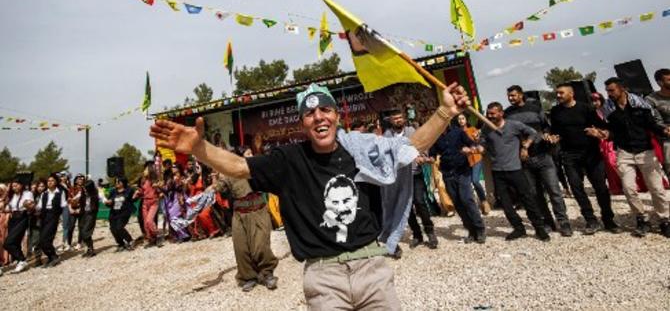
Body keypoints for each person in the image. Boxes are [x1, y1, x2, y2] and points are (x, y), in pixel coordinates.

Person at [150, 82, 469, 309]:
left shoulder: (359, 148)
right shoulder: (288, 160)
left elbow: (410, 148)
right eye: (310, 113)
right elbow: (237, 166)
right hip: (323, 278)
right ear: (302, 122)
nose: (319, 117)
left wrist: (444, 112)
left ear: (336, 116)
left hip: (372, 268)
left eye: (326, 109)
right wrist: (199, 149)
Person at [601, 77, 670, 237]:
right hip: (624, 152)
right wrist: (604, 134)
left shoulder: (641, 105)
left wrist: (664, 131)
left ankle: (665, 220)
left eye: (611, 90)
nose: (609, 94)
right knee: (629, 188)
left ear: (622, 88)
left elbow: (652, 125)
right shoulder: (609, 109)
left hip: (645, 151)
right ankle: (642, 219)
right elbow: (610, 131)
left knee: (656, 189)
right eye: (607, 91)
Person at [549, 83, 621, 235]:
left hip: (591, 153)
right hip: (569, 155)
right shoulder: (555, 111)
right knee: (576, 188)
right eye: (557, 93)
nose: (558, 96)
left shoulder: (586, 108)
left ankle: (608, 219)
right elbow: (554, 131)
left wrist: (599, 132)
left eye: (561, 93)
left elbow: (604, 127)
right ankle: (591, 220)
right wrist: (553, 137)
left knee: (601, 188)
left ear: (571, 93)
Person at [504, 85, 572, 237]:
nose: (510, 98)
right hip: (524, 160)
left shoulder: (535, 108)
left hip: (543, 156)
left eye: (513, 95)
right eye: (509, 96)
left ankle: (563, 222)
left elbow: (546, 127)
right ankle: (547, 222)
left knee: (554, 191)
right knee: (535, 194)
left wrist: (548, 136)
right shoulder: (507, 114)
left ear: (521, 95)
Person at [481, 102, 550, 241]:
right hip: (498, 172)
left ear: (501, 113)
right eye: (488, 113)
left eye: (493, 113)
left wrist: (526, 146)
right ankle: (519, 229)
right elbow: (483, 143)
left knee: (528, 200)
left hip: (515, 170)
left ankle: (539, 228)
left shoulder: (514, 125)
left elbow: (532, 132)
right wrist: (479, 145)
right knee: (506, 205)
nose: (490, 116)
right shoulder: (486, 128)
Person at [220, 147, 279, 292]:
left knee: (260, 245)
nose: (251, 155)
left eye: (251, 153)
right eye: (248, 153)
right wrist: (219, 177)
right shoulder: (228, 172)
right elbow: (221, 189)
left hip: (258, 210)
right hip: (239, 214)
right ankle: (248, 277)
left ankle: (267, 273)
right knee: (241, 248)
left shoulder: (256, 169)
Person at [384, 108, 437, 252]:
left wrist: (422, 156)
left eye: (400, 117)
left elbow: (423, 144)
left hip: (414, 173)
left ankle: (430, 232)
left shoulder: (412, 131)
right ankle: (417, 234)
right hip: (398, 177)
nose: (398, 120)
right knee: (405, 207)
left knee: (419, 202)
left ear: (404, 119)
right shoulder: (387, 135)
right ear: (390, 120)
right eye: (395, 118)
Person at [430, 117, 486, 243]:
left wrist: (471, 148)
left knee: (467, 200)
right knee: (458, 203)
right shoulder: (435, 137)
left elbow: (470, 143)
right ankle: (471, 231)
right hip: (447, 173)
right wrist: (431, 159)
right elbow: (432, 154)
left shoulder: (458, 132)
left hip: (462, 171)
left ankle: (480, 229)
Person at [456, 113, 490, 215]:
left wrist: (477, 138)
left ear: (466, 120)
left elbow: (479, 142)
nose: (461, 120)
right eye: (459, 119)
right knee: (466, 184)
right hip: (464, 161)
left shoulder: (472, 129)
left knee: (475, 181)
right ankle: (472, 206)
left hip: (475, 158)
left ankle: (484, 201)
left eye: (463, 118)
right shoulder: (456, 133)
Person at [2, 178, 34, 274]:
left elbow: (29, 205)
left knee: (8, 243)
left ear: (21, 185)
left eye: (16, 185)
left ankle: (22, 260)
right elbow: (7, 208)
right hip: (13, 218)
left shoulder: (27, 193)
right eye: (13, 186)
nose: (14, 187)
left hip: (22, 217)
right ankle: (20, 261)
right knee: (15, 242)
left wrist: (27, 204)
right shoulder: (12, 196)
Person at [36, 173, 67, 267]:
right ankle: (51, 257)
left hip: (53, 216)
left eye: (52, 181)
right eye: (48, 181)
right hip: (44, 216)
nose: (50, 182)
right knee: (42, 240)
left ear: (56, 182)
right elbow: (39, 206)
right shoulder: (44, 194)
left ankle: (53, 257)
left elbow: (63, 205)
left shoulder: (60, 192)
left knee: (47, 238)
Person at [645, 68, 670, 176]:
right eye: (669, 80)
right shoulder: (651, 100)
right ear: (660, 83)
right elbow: (657, 121)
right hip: (667, 137)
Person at [135, 166, 163, 248]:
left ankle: (158, 235)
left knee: (149, 221)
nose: (144, 171)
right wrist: (138, 192)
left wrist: (158, 188)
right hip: (145, 203)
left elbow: (160, 192)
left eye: (146, 169)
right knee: (145, 224)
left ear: (150, 171)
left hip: (154, 202)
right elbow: (143, 192)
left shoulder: (154, 181)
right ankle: (151, 239)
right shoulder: (143, 181)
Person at [105, 177, 135, 252]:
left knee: (119, 227)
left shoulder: (129, 190)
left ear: (123, 182)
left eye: (119, 181)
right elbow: (109, 203)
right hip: (114, 213)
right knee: (113, 229)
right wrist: (108, 203)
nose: (117, 183)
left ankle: (130, 240)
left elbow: (132, 199)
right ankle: (121, 244)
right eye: (116, 181)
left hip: (124, 212)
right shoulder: (113, 191)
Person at [78, 180, 99, 257]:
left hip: (91, 215)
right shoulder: (83, 194)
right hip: (83, 214)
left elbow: (101, 201)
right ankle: (90, 249)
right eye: (84, 188)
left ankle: (90, 248)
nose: (84, 190)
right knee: (82, 231)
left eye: (86, 188)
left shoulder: (94, 195)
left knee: (85, 231)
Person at [67, 174, 86, 250]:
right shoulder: (71, 188)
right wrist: (70, 209)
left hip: (81, 210)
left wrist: (80, 209)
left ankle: (79, 243)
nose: (80, 180)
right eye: (78, 179)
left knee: (81, 227)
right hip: (72, 210)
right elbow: (68, 200)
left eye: (82, 179)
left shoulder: (85, 189)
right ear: (75, 180)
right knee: (70, 227)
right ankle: (68, 243)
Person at [58, 172, 71, 251]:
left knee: (66, 225)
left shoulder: (68, 186)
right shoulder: (58, 186)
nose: (64, 178)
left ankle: (64, 243)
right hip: (58, 207)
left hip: (66, 206)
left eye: (65, 176)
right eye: (62, 176)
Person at [0, 184, 11, 267]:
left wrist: (7, 219)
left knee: (3, 238)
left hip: (3, 219)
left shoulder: (6, 199)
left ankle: (5, 258)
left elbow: (9, 211)